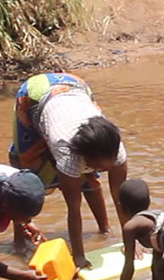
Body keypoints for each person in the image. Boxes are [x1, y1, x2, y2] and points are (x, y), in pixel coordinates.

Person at [9, 73, 128, 267]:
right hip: (35, 95)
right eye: (100, 166)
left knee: (89, 177)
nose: (107, 169)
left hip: (76, 86)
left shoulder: (116, 150)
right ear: (83, 155)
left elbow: (120, 198)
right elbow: (74, 208)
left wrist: (130, 243)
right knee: (28, 169)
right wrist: (78, 256)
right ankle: (19, 238)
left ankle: (105, 230)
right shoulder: (67, 152)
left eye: (109, 164)